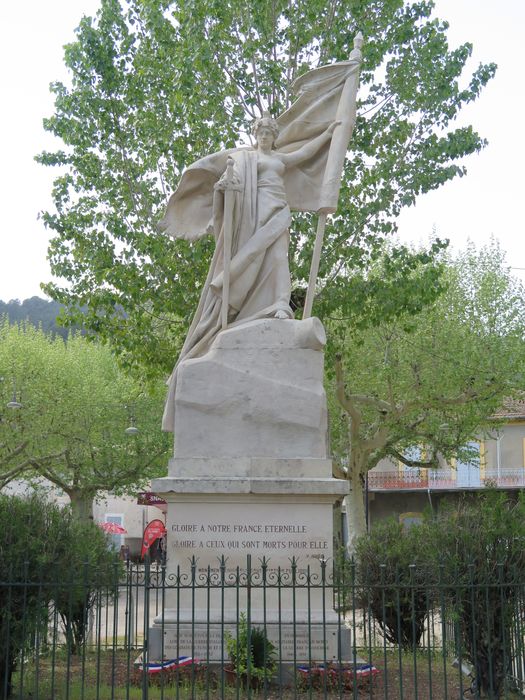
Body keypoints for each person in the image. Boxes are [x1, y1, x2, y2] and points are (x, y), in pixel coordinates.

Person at [160, 114, 339, 430]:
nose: (266, 137)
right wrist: (224, 189)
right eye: (261, 133)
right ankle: (253, 308)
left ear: (274, 136)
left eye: (270, 133)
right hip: (251, 218)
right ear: (255, 134)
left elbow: (305, 154)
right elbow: (228, 187)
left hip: (277, 211)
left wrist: (329, 131)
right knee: (253, 260)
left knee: (280, 259)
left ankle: (281, 304)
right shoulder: (244, 158)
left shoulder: (279, 159)